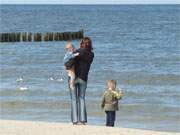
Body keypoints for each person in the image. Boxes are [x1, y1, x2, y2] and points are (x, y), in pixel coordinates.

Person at [66, 37, 94, 125]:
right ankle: (83, 120)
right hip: (83, 78)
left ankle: (74, 120)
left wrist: (67, 65)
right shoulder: (91, 54)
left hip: (74, 77)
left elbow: (69, 63)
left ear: (82, 43)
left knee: (74, 99)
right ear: (90, 44)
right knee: (82, 98)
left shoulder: (77, 52)